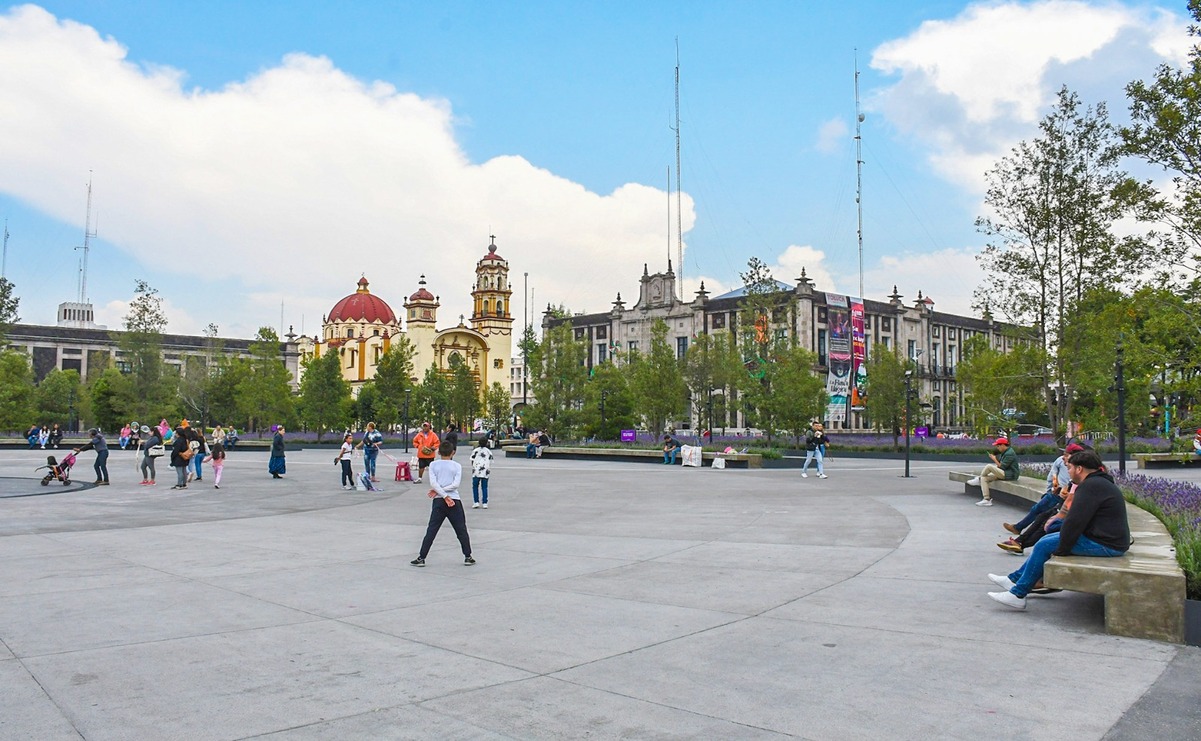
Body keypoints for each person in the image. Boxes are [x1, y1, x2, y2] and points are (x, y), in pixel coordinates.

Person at [988, 449, 1130, 610]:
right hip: (1106, 539)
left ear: (1079, 469)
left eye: (1069, 467)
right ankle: (1014, 580)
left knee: (1045, 545)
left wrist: (1063, 548)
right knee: (1045, 540)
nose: (1068, 471)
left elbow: (1075, 521)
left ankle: (1018, 594)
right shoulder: (1097, 483)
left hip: (1107, 545)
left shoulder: (1090, 486)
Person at [410, 440, 475, 567]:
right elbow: (455, 485)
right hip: (454, 499)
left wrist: (440, 493)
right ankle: (468, 556)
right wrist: (447, 495)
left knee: (432, 529)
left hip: (439, 500)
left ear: (438, 452)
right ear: (453, 452)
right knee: (461, 529)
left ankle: (422, 557)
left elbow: (433, 484)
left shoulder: (433, 465)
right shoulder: (457, 466)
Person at [1001, 442, 1081, 538]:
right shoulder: (1060, 461)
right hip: (1056, 492)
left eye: (1066, 455)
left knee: (1042, 515)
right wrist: (1051, 487)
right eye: (1064, 454)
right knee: (1038, 510)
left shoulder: (1076, 466)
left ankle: (1021, 534)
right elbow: (1053, 473)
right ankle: (1020, 531)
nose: (1064, 457)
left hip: (1064, 495)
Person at [967, 436, 1018, 506]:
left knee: (989, 466)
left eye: (998, 446)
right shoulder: (1005, 452)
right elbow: (1001, 465)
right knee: (984, 478)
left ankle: (978, 479)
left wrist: (994, 459)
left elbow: (1002, 466)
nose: (997, 448)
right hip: (1004, 472)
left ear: (1003, 445)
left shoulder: (1009, 453)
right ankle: (986, 499)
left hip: (1009, 474)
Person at [469, 437, 493, 508]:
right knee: (484, 487)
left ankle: (476, 502)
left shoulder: (475, 451)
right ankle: (485, 503)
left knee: (475, 486)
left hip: (476, 470)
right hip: (485, 471)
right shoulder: (488, 451)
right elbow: (490, 461)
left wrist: (474, 466)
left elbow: (472, 459)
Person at [169, 423, 191, 489]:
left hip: (179, 457)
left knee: (180, 472)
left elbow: (176, 451)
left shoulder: (178, 441)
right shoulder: (185, 440)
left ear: (178, 434)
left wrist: (172, 457)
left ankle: (179, 484)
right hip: (185, 457)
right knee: (184, 471)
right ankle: (184, 484)